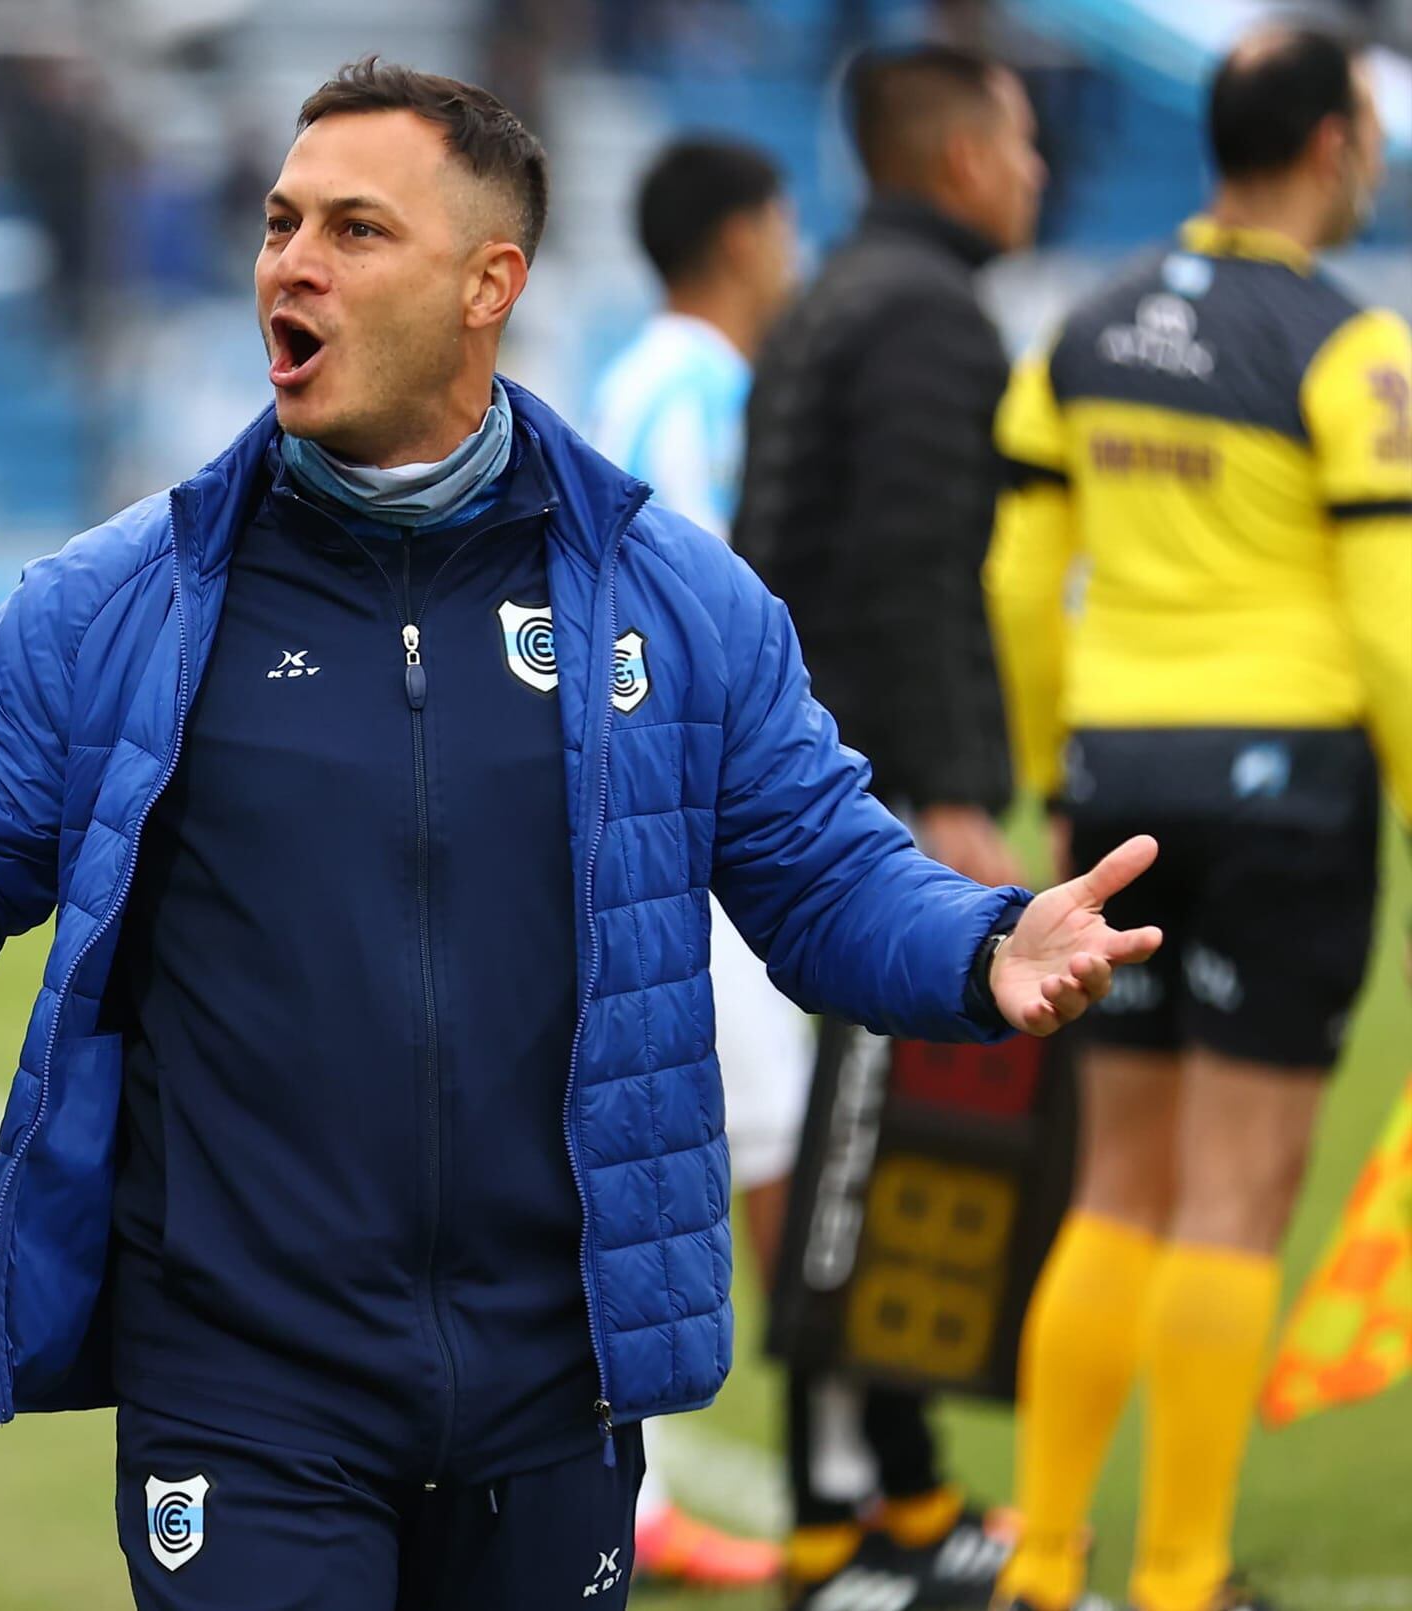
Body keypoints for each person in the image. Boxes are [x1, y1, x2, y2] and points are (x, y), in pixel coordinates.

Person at [0, 59, 1158, 1611]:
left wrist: (984, 942)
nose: (291, 263)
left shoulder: (675, 600)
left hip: (552, 1373)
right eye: (279, 222)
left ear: (486, 285)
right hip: (244, 1378)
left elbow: (828, 872)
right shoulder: (116, 604)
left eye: (357, 230)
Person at [986, 28, 1409, 1611]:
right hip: (1289, 788)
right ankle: (1176, 1579)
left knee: (1118, 1186)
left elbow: (1022, 588)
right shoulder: (1351, 347)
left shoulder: (1080, 331)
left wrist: (1047, 778)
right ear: (1325, 146)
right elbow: (1392, 627)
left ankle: (1041, 1567)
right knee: (1232, 1202)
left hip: (1117, 787)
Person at [733, 43, 1048, 1610]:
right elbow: (917, 574)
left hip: (794, 778)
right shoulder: (926, 316)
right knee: (870, 1145)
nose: (1040, 172)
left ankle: (884, 1504)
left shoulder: (831, 298)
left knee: (854, 1146)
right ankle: (851, 1527)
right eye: (1022, 136)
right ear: (963, 152)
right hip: (848, 806)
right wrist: (948, 793)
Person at [587, 135, 804, 1591]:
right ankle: (835, 1466)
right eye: (784, 221)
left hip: (668, 823)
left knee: (700, 1140)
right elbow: (701, 619)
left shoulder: (639, 374)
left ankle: (662, 1486)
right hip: (698, 829)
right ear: (738, 236)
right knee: (752, 1136)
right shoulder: (695, 391)